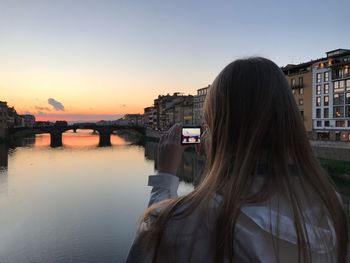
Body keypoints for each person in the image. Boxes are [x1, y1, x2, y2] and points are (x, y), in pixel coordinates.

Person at [126, 57, 347, 262]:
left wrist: (165, 175)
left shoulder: (188, 223)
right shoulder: (330, 205)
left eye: (208, 127)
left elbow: (147, 247)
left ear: (220, 132)